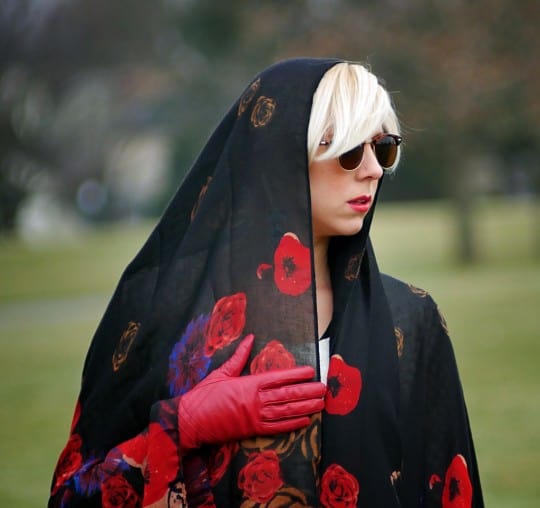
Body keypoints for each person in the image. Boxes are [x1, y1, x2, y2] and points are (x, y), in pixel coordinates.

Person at [48, 58, 484, 507]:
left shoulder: (411, 320)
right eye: (351, 149)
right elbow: (73, 495)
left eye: (384, 148)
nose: (373, 169)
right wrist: (182, 426)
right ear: (280, 155)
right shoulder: (164, 313)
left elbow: (449, 491)